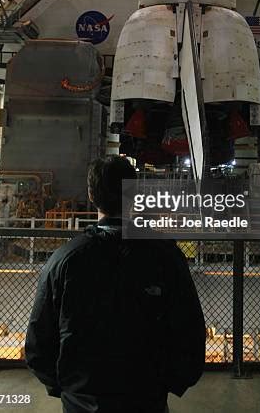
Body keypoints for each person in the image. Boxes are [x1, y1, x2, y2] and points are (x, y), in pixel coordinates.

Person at [25, 156, 206, 413]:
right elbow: (191, 333)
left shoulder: (64, 260)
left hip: (82, 401)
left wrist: (68, 389)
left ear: (91, 195)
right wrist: (167, 384)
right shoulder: (165, 256)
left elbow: (38, 343)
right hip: (146, 399)